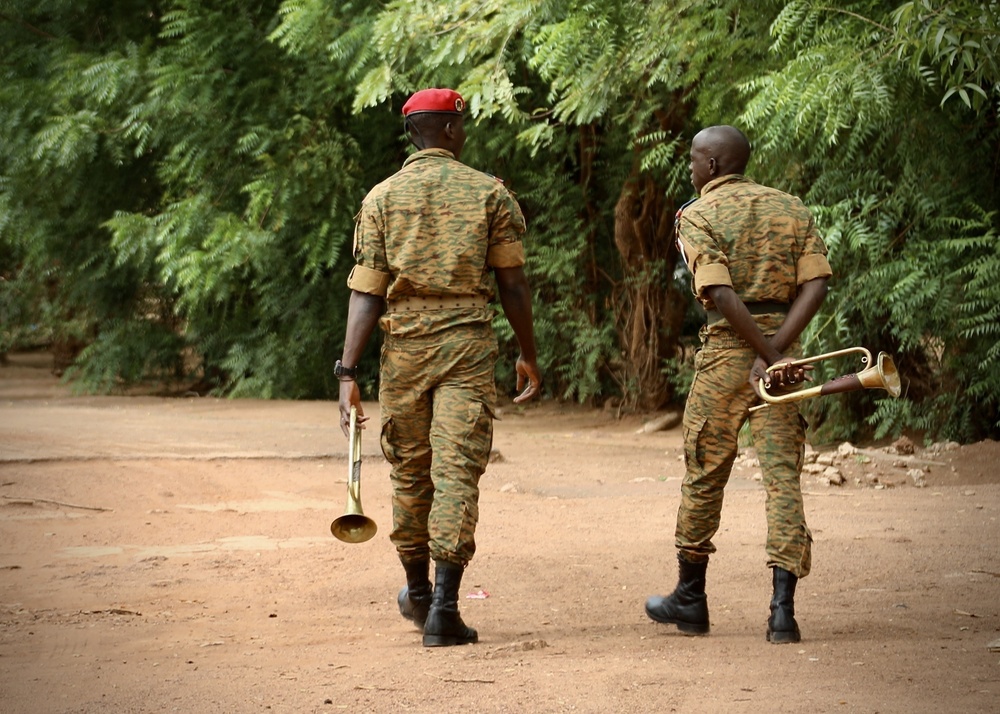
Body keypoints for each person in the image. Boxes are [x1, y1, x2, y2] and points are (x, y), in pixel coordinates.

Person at [336, 87, 542, 648]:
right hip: (467, 346)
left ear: (412, 133)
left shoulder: (381, 198)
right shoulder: (488, 194)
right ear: (450, 130)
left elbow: (367, 292)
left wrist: (347, 372)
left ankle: (418, 593)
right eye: (461, 124)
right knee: (456, 471)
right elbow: (513, 284)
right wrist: (527, 352)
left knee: (409, 469)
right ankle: (445, 610)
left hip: (403, 348)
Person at [645, 125, 832, 644]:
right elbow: (817, 283)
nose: (688, 167)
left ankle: (690, 600)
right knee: (782, 478)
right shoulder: (790, 208)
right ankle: (782, 614)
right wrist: (777, 355)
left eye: (691, 159)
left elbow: (721, 295)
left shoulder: (696, 215)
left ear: (712, 166)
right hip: (782, 351)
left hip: (730, 354)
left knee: (704, 469)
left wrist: (760, 357)